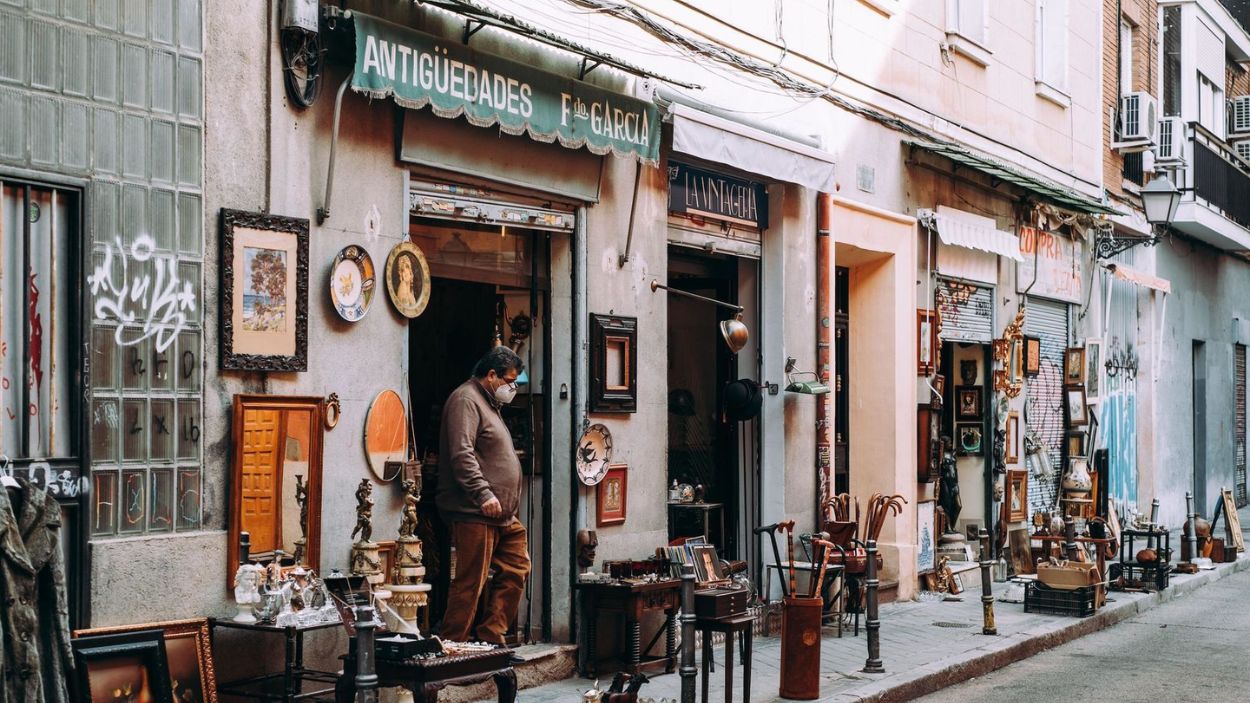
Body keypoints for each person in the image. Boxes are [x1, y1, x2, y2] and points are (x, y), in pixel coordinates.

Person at [437, 346, 531, 649]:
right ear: (491, 375)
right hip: (476, 510)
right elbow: (461, 453)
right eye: (510, 380)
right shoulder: (466, 399)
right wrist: (483, 494)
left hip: (503, 514)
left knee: (517, 567)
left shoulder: (489, 402)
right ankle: (453, 647)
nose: (512, 388)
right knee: (470, 583)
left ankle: (492, 634)